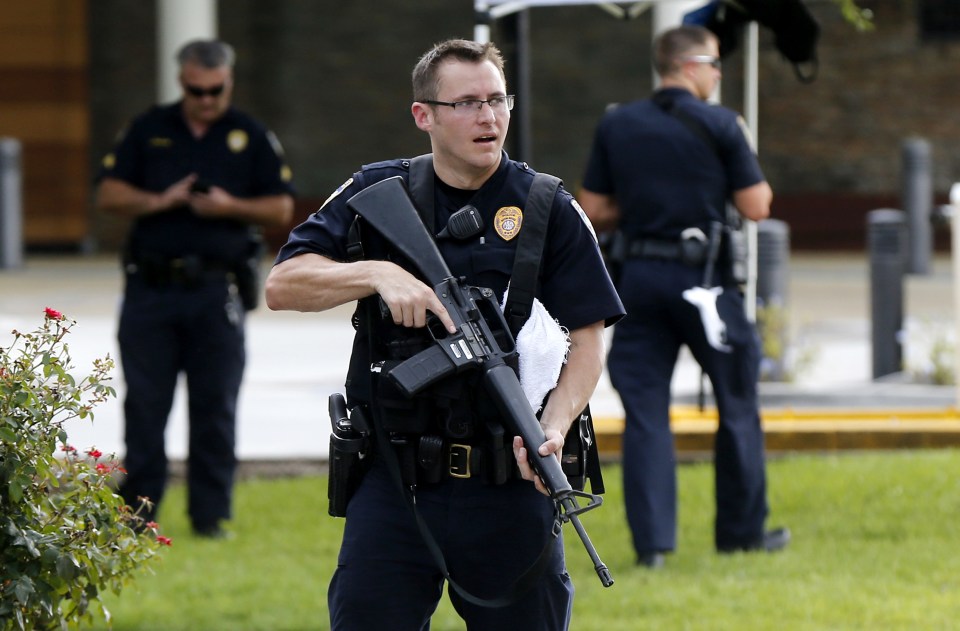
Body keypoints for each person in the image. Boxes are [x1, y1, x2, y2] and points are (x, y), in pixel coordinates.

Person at [266, 39, 623, 630]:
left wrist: (553, 429)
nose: (488, 117)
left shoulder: (547, 205)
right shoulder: (376, 193)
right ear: (423, 115)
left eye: (497, 100)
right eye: (466, 103)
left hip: (509, 480)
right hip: (396, 483)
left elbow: (586, 346)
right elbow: (283, 285)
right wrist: (377, 274)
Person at [577, 24, 789, 569]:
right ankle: (742, 535)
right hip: (706, 287)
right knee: (737, 404)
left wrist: (644, 208)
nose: (718, 75)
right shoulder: (721, 123)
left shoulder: (617, 123)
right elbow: (758, 204)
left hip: (639, 281)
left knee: (646, 414)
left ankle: (653, 550)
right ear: (691, 66)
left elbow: (593, 208)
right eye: (715, 65)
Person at [94, 39, 295, 538]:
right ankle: (137, 518)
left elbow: (280, 208)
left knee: (214, 409)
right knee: (145, 406)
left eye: (215, 90)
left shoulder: (249, 135)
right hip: (151, 290)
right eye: (195, 90)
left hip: (214, 292)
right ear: (181, 82)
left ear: (229, 81)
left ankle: (210, 519)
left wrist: (229, 207)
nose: (205, 99)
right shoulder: (148, 128)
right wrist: (161, 199)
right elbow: (107, 193)